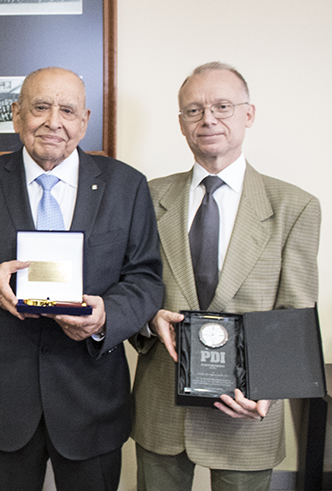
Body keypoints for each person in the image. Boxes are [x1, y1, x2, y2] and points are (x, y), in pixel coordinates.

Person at [0, 67, 163, 491]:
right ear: (16, 114)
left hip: (92, 400)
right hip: (5, 398)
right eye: (40, 107)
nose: (53, 122)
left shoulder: (126, 185)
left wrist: (106, 317)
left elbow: (146, 278)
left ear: (85, 121)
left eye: (67, 110)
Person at [131, 62, 321, 491]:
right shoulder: (148, 197)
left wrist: (268, 389)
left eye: (222, 106)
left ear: (248, 114)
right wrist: (149, 319)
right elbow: (132, 287)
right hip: (163, 409)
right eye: (194, 110)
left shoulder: (294, 206)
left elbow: (295, 311)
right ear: (181, 122)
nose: (208, 119)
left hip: (247, 412)